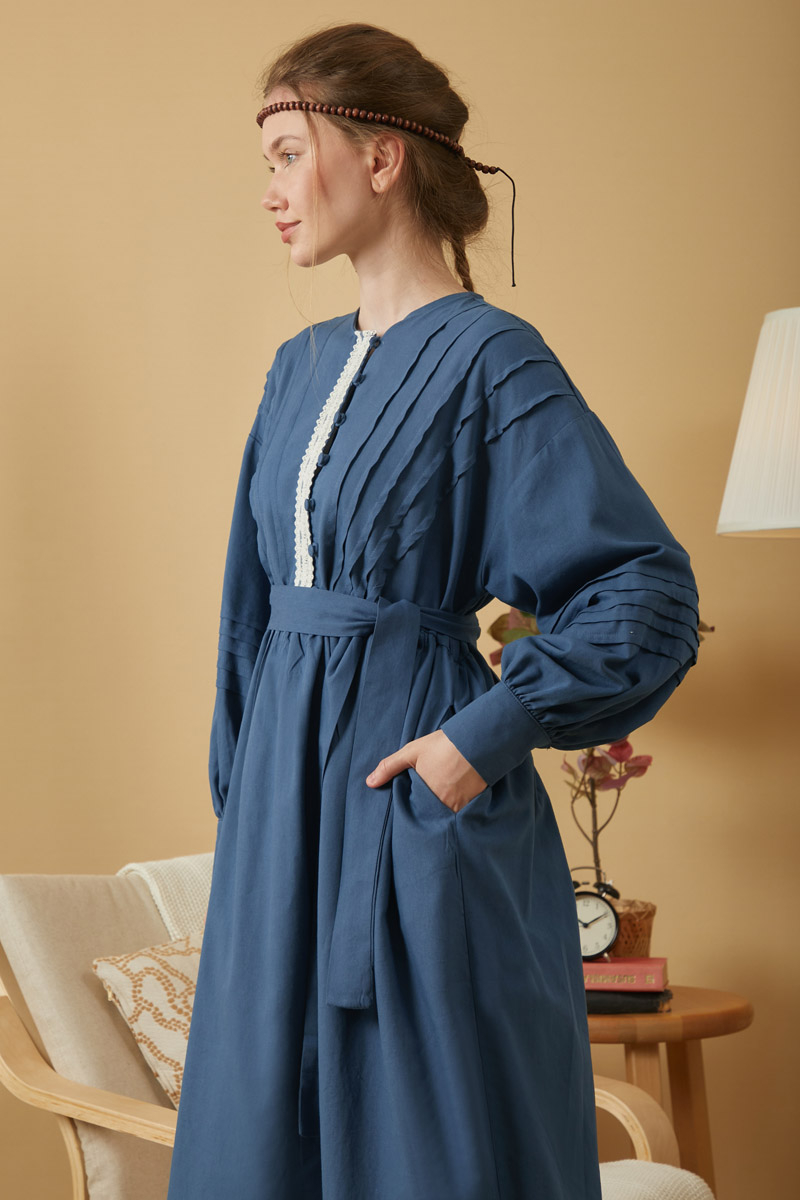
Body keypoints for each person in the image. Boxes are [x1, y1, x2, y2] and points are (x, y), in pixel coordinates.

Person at [166, 21, 700, 1200]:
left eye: (287, 154)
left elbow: (645, 593)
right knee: (257, 1148)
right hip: (278, 838)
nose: (269, 190)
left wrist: (479, 741)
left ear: (380, 158)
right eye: (264, 162)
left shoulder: (494, 361)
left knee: (425, 1146)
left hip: (416, 817)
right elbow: (250, 613)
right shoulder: (296, 368)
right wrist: (252, 805)